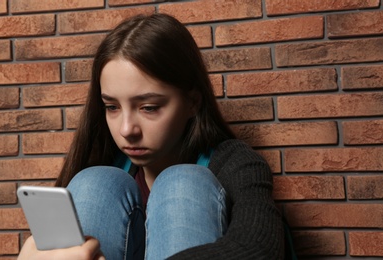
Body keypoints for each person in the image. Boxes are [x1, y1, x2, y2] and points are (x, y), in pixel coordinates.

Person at [18, 13, 284, 259]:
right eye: (112, 107)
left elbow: (260, 246)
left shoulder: (235, 163)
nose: (126, 130)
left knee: (182, 182)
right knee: (95, 182)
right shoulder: (105, 166)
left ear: (192, 102)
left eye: (149, 107)